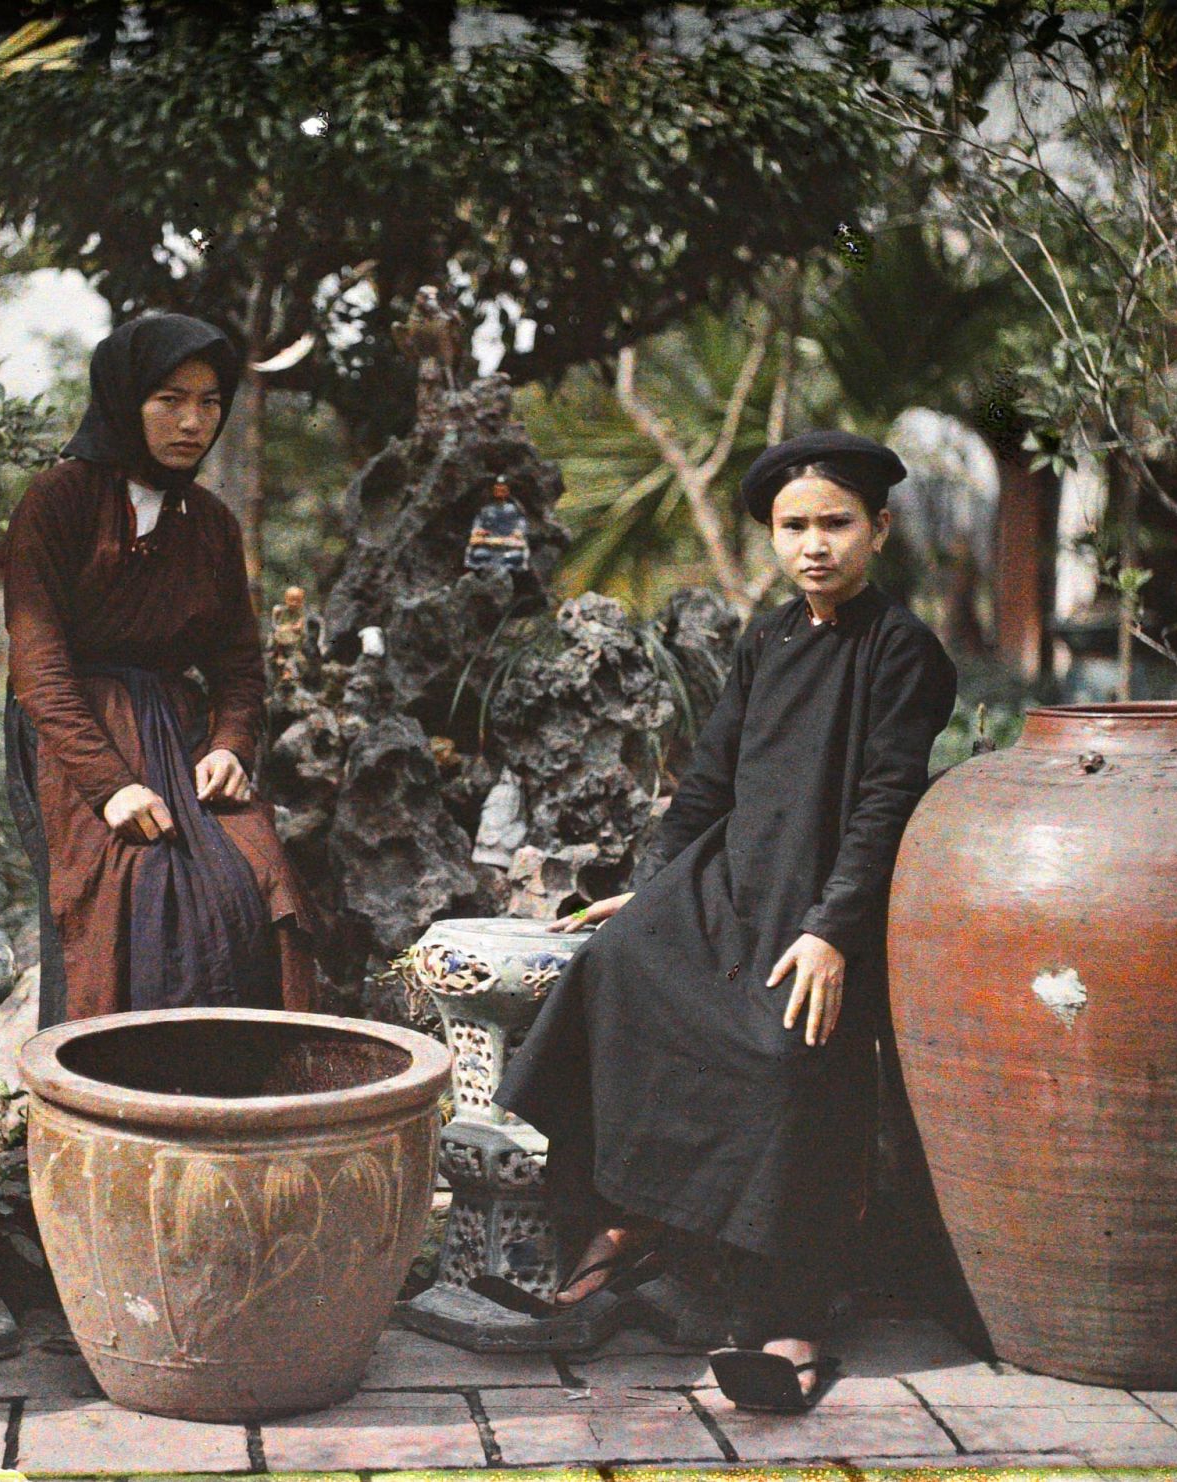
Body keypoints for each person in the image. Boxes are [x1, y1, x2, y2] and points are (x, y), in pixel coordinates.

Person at [492, 430, 958, 1409]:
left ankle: (783, 1320)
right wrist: (655, 885)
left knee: (788, 1053)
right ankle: (621, 1226)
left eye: (834, 524)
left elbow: (882, 801)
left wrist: (832, 930)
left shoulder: (901, 650)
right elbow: (706, 782)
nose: (813, 546)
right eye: (792, 528)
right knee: (612, 967)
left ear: (876, 529)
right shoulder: (767, 637)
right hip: (730, 885)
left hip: (825, 902)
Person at [0, 312, 318, 1026]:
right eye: (169, 399)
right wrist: (110, 787)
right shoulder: (58, 503)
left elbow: (238, 661)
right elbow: (39, 666)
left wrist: (233, 743)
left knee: (258, 877)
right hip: (74, 738)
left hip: (177, 732)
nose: (192, 421)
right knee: (141, 892)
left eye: (209, 403)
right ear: (125, 398)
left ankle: (239, 1091)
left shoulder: (209, 523)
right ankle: (109, 1095)